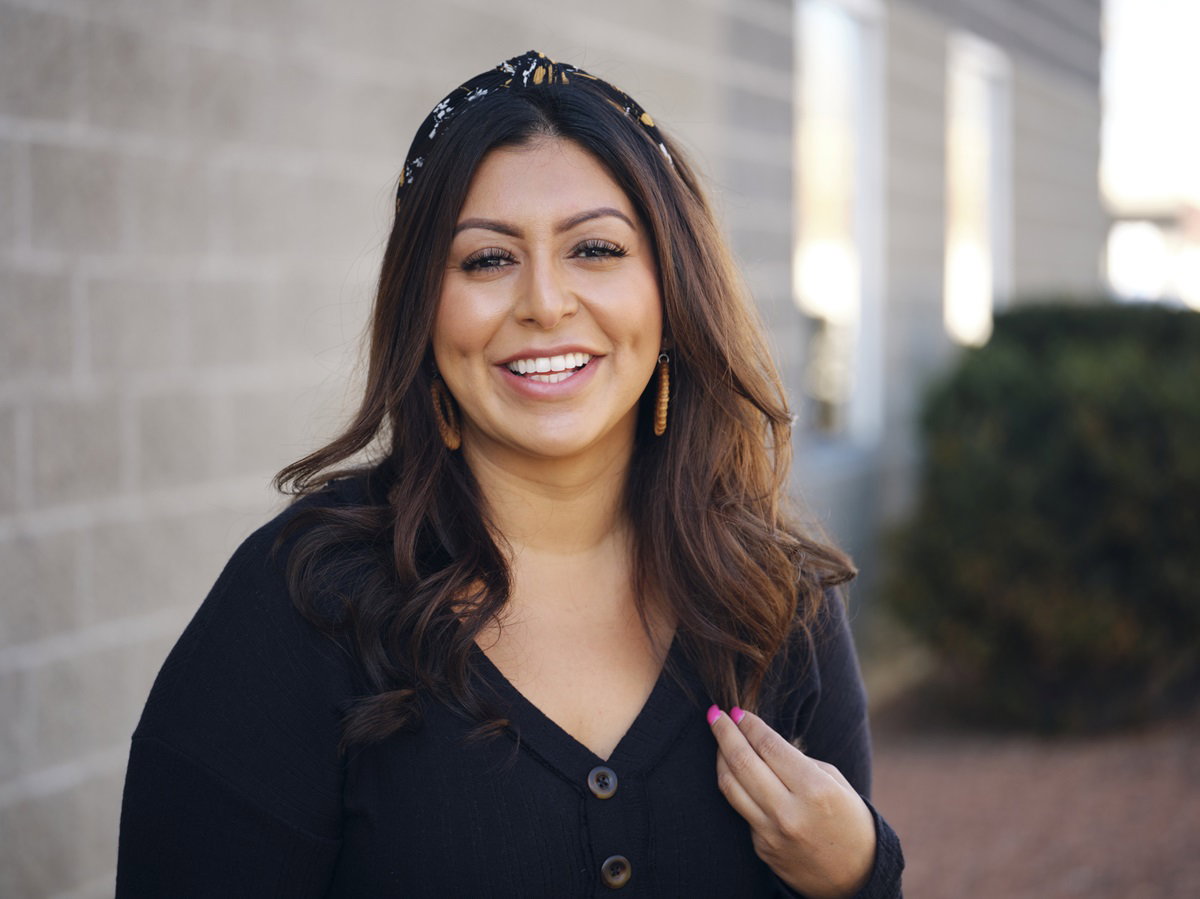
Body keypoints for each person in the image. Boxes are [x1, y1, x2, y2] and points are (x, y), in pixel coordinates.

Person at [117, 51, 903, 897]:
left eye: (595, 249)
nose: (544, 302)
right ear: (425, 308)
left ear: (672, 292)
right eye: (488, 260)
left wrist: (859, 869)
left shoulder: (775, 598)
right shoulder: (299, 602)